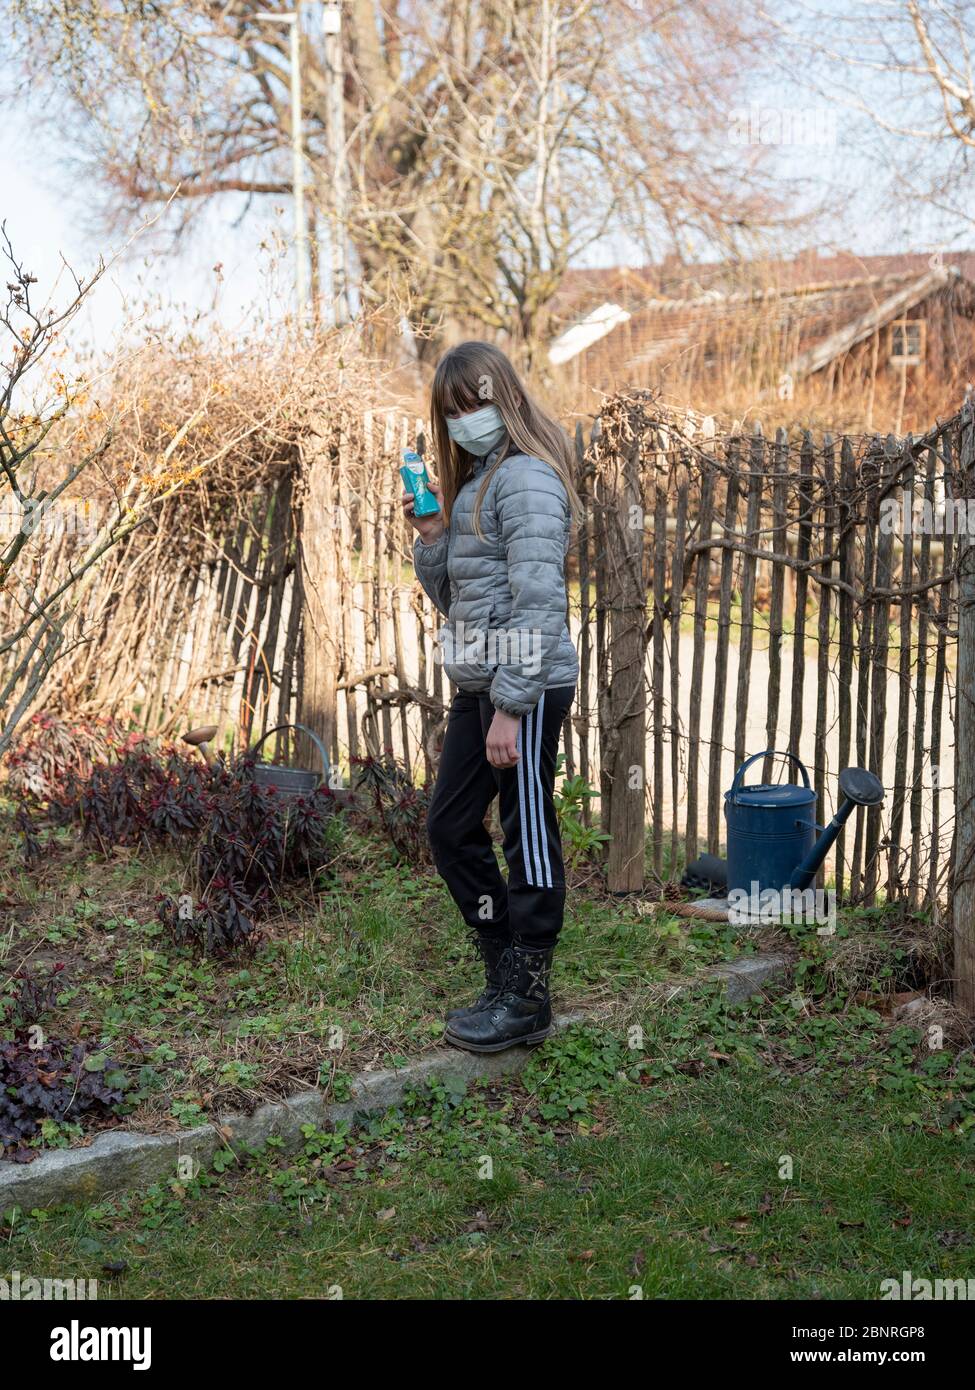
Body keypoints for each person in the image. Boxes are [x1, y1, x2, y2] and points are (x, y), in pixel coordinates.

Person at [401, 340, 580, 1053]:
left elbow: (539, 605)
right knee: (450, 830)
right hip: (482, 685)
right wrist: (431, 537)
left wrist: (512, 705)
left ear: (501, 396)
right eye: (450, 413)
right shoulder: (478, 480)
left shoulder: (528, 480)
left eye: (471, 404)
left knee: (526, 836)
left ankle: (527, 997)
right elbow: (459, 599)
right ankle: (503, 964)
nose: (462, 421)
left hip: (525, 688)